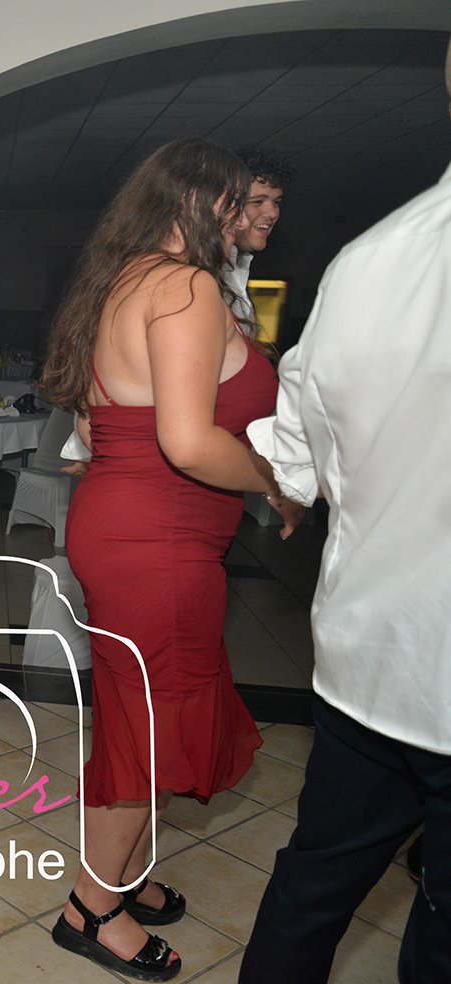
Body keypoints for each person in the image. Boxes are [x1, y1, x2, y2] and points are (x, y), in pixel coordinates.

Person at [37, 137, 295, 981]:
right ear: (199, 201)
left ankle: (122, 876)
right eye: (236, 199)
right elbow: (187, 442)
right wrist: (281, 484)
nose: (246, 213)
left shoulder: (126, 278)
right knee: (149, 723)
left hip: (130, 524)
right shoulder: (185, 287)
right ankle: (91, 909)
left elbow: (98, 420)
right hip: (159, 537)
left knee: (150, 708)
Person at [239, 41, 451, 981]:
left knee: (312, 888)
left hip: (368, 659)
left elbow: (297, 454)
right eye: (254, 202)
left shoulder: (367, 263)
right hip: (413, 663)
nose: (269, 217)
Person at [225, 147, 292, 335]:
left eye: (276, 202)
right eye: (257, 202)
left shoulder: (238, 271)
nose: (272, 213)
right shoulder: (199, 277)